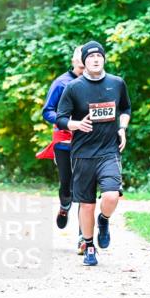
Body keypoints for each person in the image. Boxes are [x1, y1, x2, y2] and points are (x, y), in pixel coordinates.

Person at [55, 40, 130, 267]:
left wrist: (122, 128)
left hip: (109, 150)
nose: (96, 59)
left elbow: (125, 108)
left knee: (111, 195)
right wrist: (76, 124)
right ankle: (88, 245)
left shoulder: (117, 83)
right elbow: (60, 118)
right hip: (82, 153)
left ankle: (104, 220)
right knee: (86, 204)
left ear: (104, 59)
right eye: (91, 57)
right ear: (84, 61)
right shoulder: (74, 88)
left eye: (99, 56)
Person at [40, 46, 85, 251]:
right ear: (74, 61)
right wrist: (66, 122)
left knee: (84, 188)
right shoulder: (61, 83)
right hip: (64, 140)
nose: (84, 65)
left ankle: (84, 237)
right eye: (81, 60)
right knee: (67, 184)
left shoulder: (98, 83)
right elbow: (47, 111)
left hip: (88, 142)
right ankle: (64, 204)